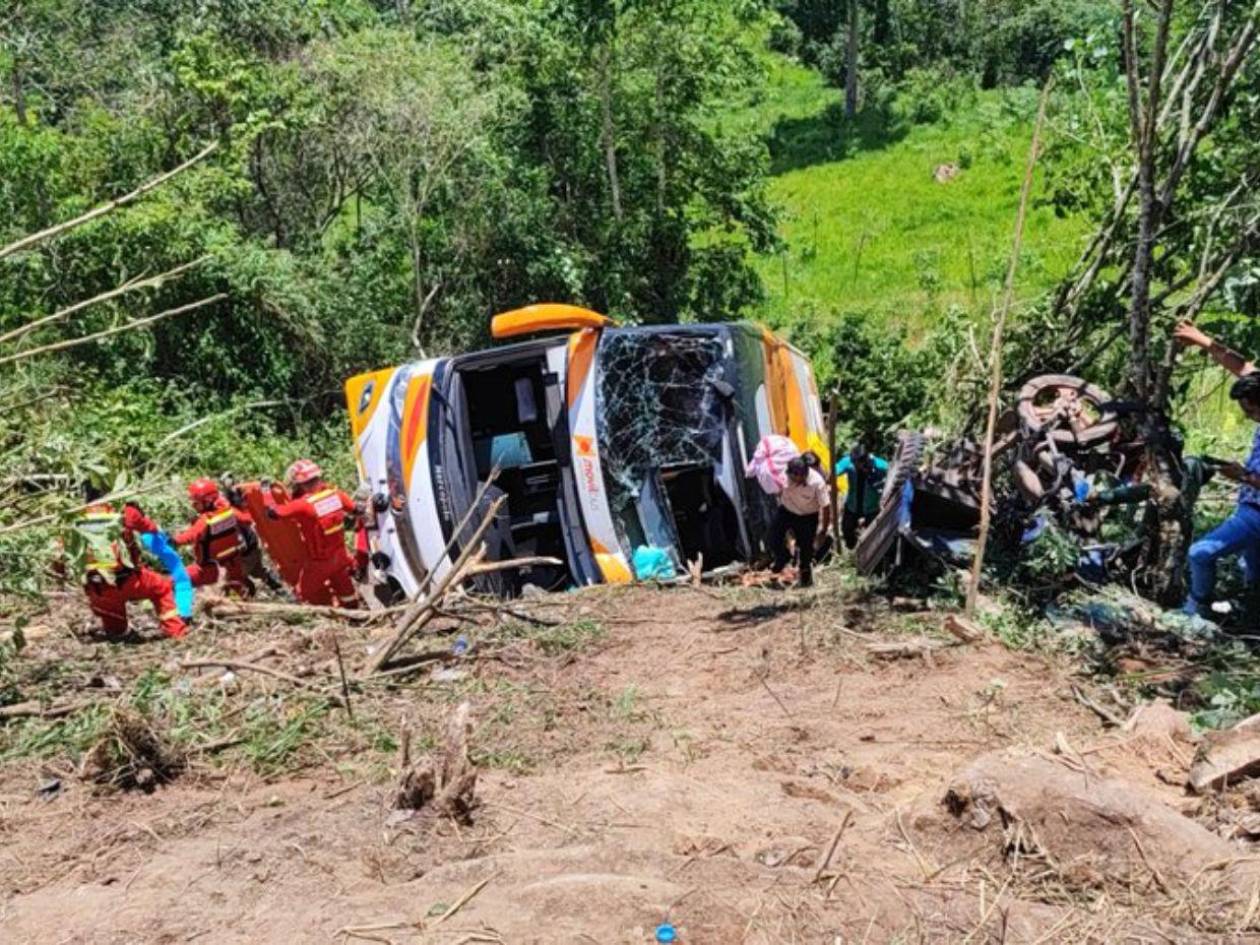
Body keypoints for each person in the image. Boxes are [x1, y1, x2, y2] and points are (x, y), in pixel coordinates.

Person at [1173, 321, 1260, 617]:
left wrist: (1244, 477)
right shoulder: (1258, 385)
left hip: (1256, 513)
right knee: (1254, 577)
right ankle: (1246, 614)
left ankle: (1197, 609)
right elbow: (1242, 366)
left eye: (1250, 410)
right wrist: (1201, 339)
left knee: (1200, 553)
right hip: (1250, 505)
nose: (1247, 417)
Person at [79, 492, 187, 639]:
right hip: (128, 580)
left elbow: (60, 555)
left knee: (117, 631)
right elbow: (150, 528)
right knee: (162, 587)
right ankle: (176, 632)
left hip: (98, 589)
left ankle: (117, 632)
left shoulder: (74, 519)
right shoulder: (125, 512)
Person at [263, 459, 362, 608]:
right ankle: (355, 616)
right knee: (346, 592)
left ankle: (301, 616)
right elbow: (357, 510)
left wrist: (266, 493)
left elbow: (272, 513)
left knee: (300, 594)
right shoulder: (337, 495)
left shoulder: (303, 505)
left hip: (320, 563)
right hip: (341, 557)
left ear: (300, 484)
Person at [172, 478, 255, 597]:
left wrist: (172, 540)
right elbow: (247, 519)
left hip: (209, 569)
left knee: (173, 581)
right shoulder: (231, 511)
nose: (193, 505)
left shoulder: (205, 520)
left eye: (196, 502)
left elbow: (189, 537)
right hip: (234, 564)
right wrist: (244, 504)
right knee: (238, 593)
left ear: (207, 501)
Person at [769, 456, 832, 588]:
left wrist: (824, 530)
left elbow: (826, 507)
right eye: (791, 476)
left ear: (803, 474)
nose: (792, 479)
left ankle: (805, 580)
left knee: (806, 550)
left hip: (807, 517)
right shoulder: (785, 475)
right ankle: (783, 557)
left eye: (796, 477)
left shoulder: (817, 483)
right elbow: (778, 489)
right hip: (786, 511)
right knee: (772, 537)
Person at [834, 443, 889, 548]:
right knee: (847, 530)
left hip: (872, 508)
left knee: (872, 536)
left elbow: (893, 476)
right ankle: (852, 550)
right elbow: (835, 471)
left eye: (857, 463)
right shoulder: (849, 463)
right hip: (852, 505)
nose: (855, 465)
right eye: (853, 462)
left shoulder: (880, 466)